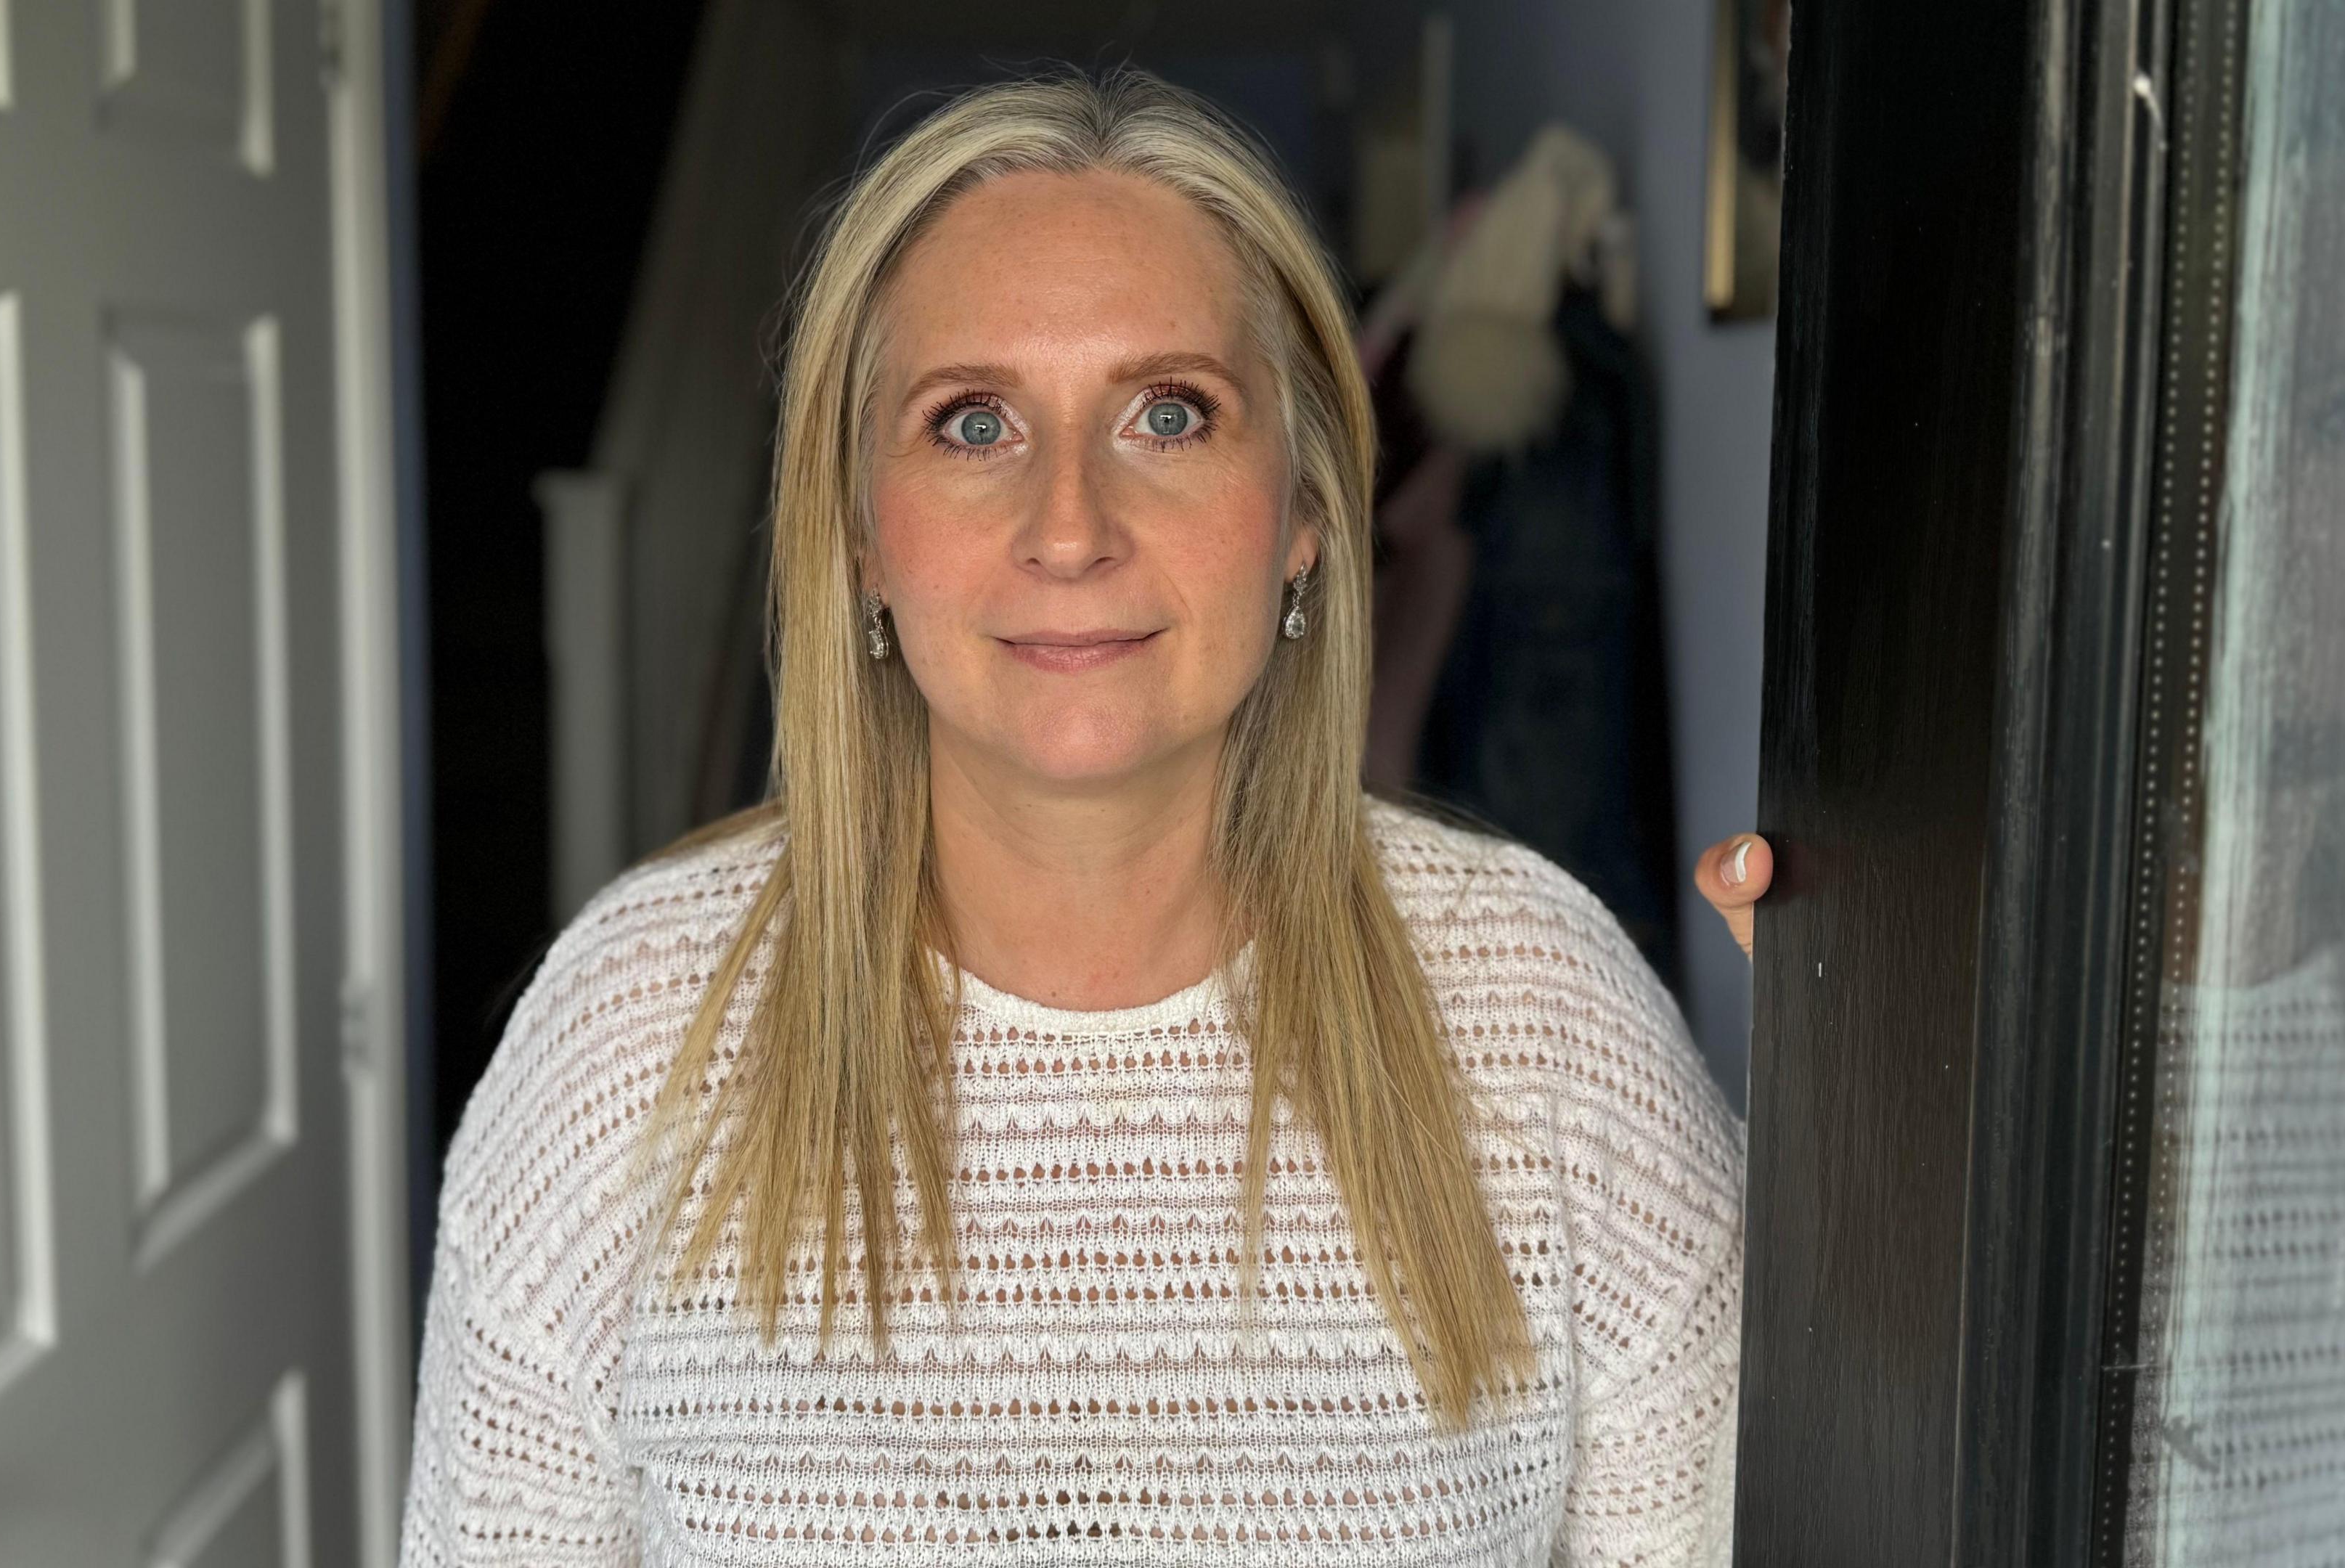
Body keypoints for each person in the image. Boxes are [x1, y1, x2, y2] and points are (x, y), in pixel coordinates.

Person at [399, 71, 1742, 1565]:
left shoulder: (1550, 1023)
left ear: (1303, 508)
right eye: (973, 423)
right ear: (856, 531)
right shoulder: (625, 1042)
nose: (1068, 529)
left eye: (1169, 413)